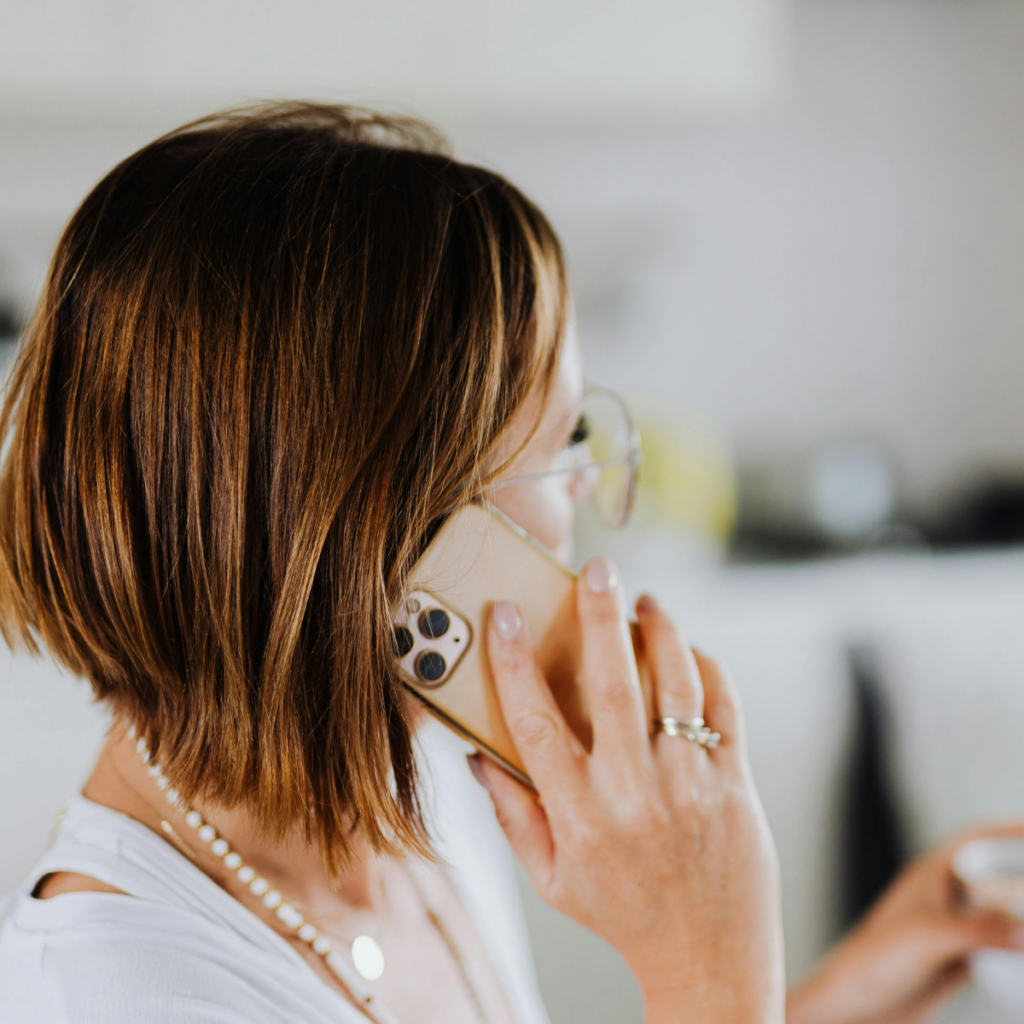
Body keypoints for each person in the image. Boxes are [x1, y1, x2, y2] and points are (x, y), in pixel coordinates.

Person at [0, 103, 1019, 1024]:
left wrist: (848, 990)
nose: (585, 490)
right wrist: (703, 962)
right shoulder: (117, 997)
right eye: (560, 446)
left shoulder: (414, 783)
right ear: (384, 536)